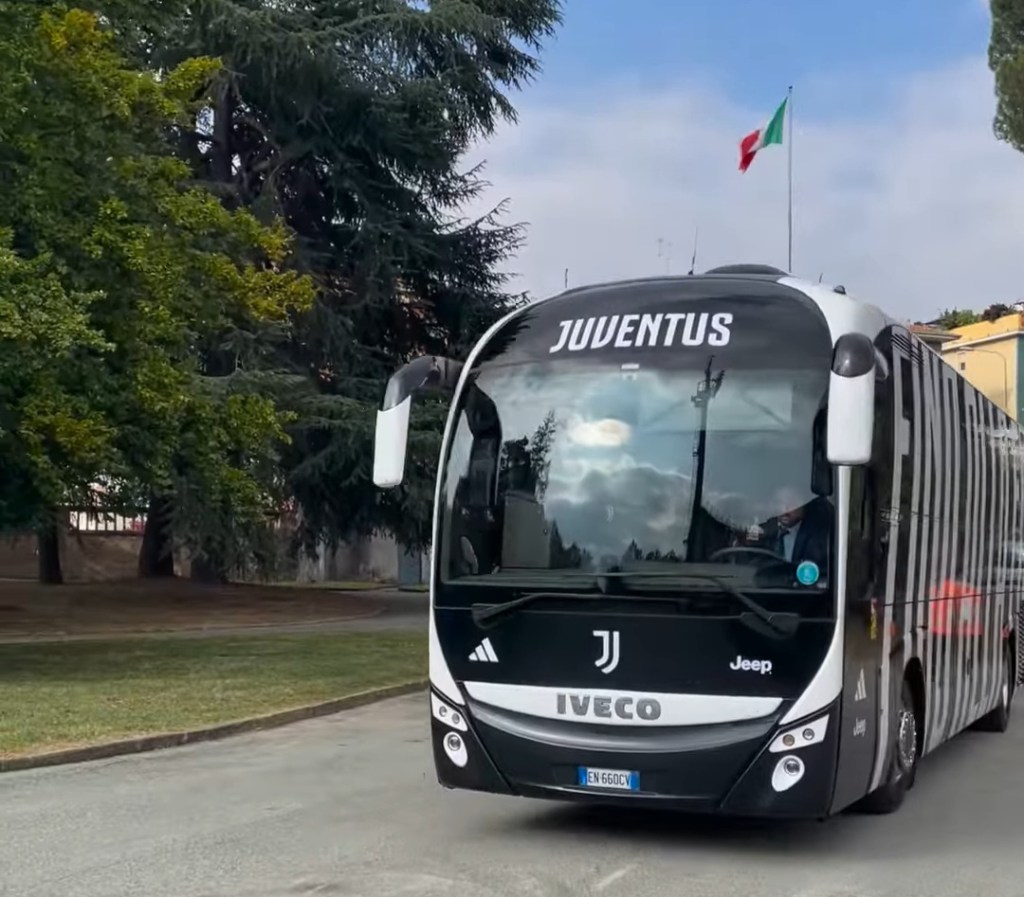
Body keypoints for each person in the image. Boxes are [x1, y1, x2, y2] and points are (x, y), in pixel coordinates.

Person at [756, 485, 832, 572]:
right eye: (778, 503)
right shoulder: (765, 530)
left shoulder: (818, 536)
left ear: (803, 504)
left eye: (790, 503)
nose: (783, 509)